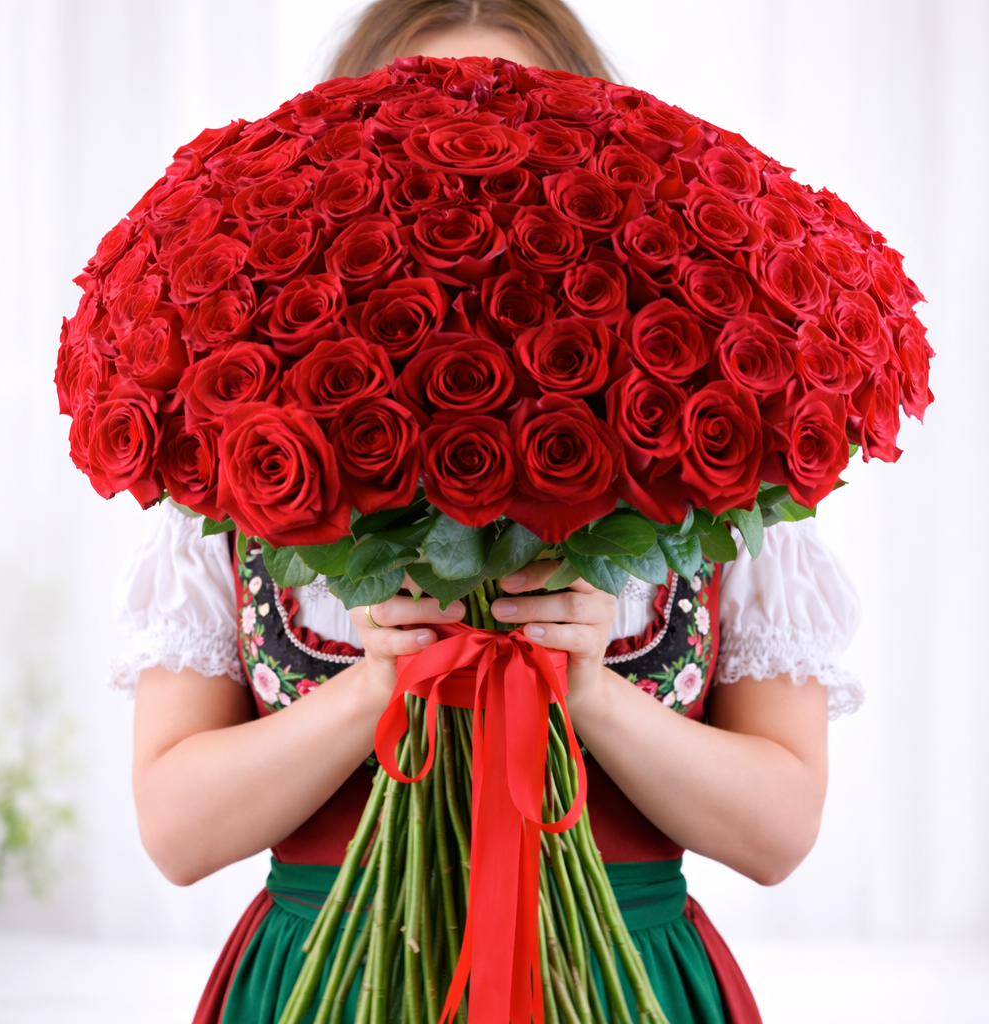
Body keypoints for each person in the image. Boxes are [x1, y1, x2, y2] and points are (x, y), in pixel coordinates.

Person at [117, 3, 863, 1022]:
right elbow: (176, 833)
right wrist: (371, 686)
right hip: (323, 989)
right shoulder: (247, 468)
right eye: (416, 126)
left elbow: (778, 833)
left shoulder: (709, 456)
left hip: (621, 988)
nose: (472, 177)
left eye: (521, 125)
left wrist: (596, 696)